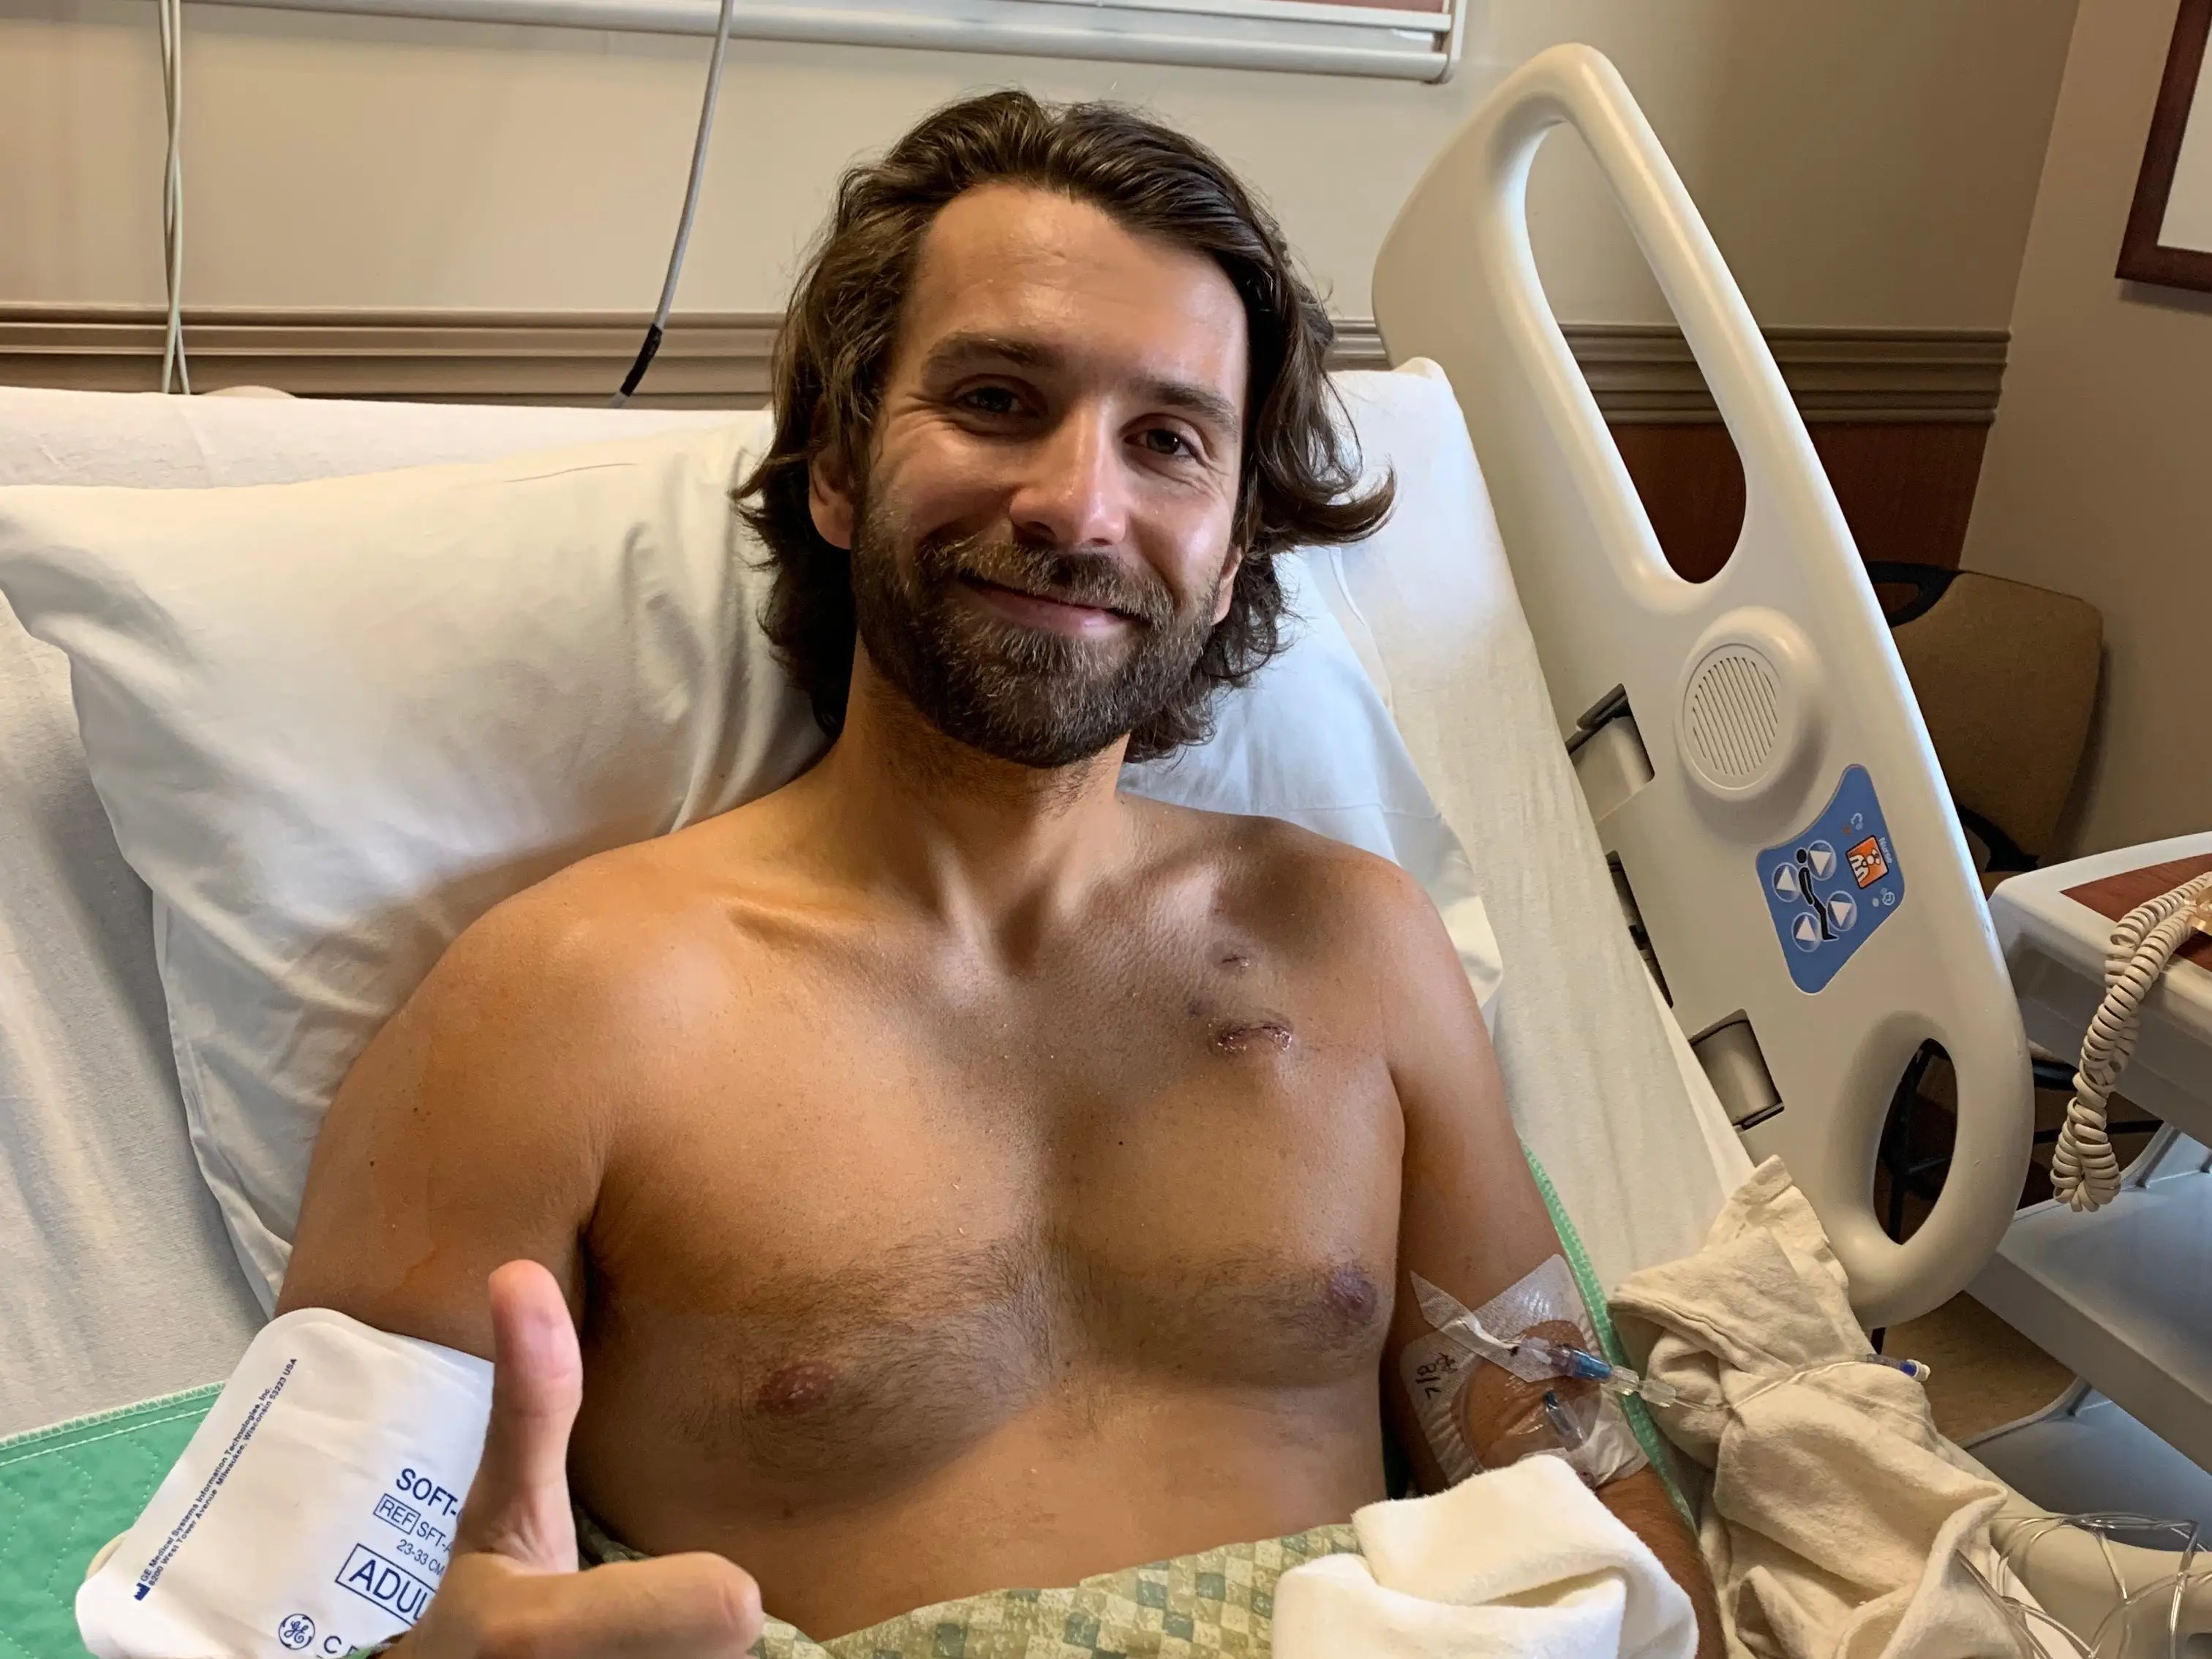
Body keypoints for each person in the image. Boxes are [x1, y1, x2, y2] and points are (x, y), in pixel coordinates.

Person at [279, 90, 1720, 1658]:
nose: (1078, 506)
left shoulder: (1353, 949)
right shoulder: (568, 1002)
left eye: (1168, 442)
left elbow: (1569, 1476)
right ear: (836, 469)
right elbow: (281, 1589)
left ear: (1232, 544)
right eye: (994, 398)